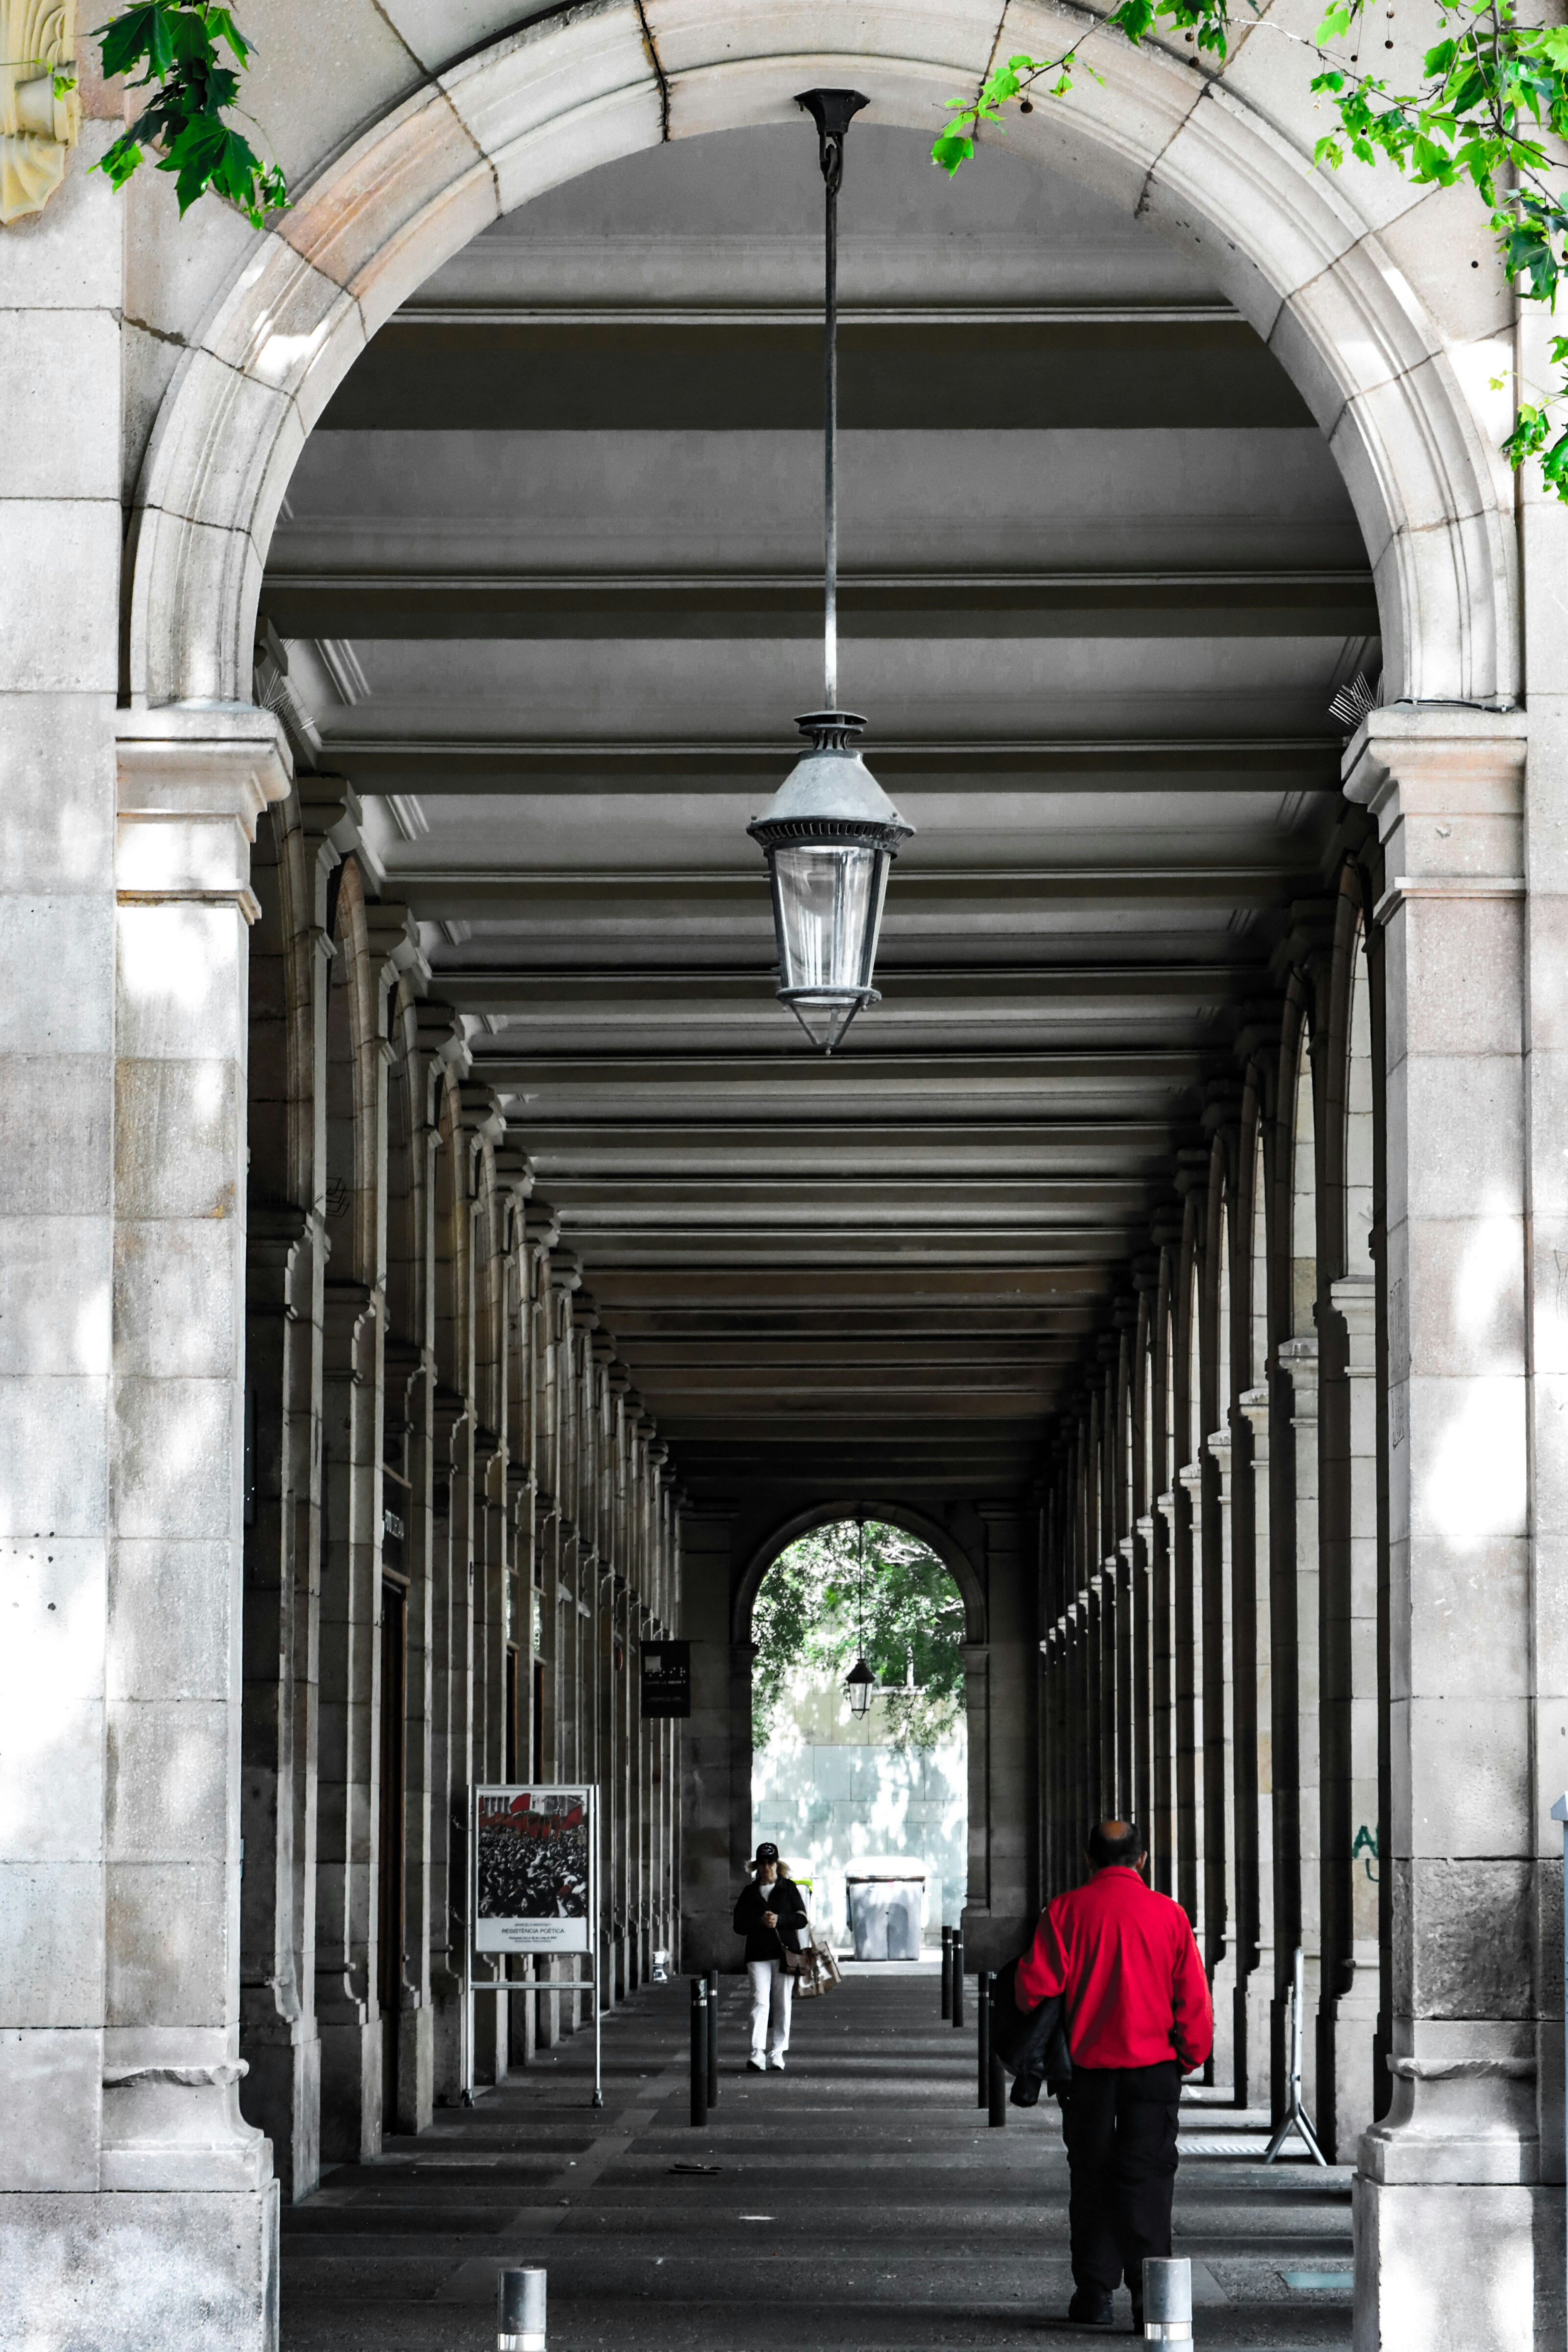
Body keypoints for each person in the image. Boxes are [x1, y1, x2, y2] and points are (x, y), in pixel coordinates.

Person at [1016, 1818, 1212, 2332]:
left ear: (1089, 1859)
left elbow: (1032, 1992)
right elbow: (1193, 2004)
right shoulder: (1169, 1916)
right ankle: (1151, 2299)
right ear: (1141, 1859)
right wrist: (1185, 2058)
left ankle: (1095, 2293)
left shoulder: (1064, 1913)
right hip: (1153, 2071)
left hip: (1088, 2075)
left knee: (1092, 2176)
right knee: (1149, 2180)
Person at [733, 1842, 809, 2072]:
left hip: (784, 1953)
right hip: (757, 1954)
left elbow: (802, 1919)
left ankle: (778, 2051)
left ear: (778, 1864)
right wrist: (759, 1922)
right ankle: (757, 2052)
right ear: (756, 1867)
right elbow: (738, 1926)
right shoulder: (749, 1893)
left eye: (771, 1862)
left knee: (782, 2003)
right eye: (763, 1863)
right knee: (760, 2000)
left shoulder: (789, 1888)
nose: (767, 1867)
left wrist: (780, 1920)